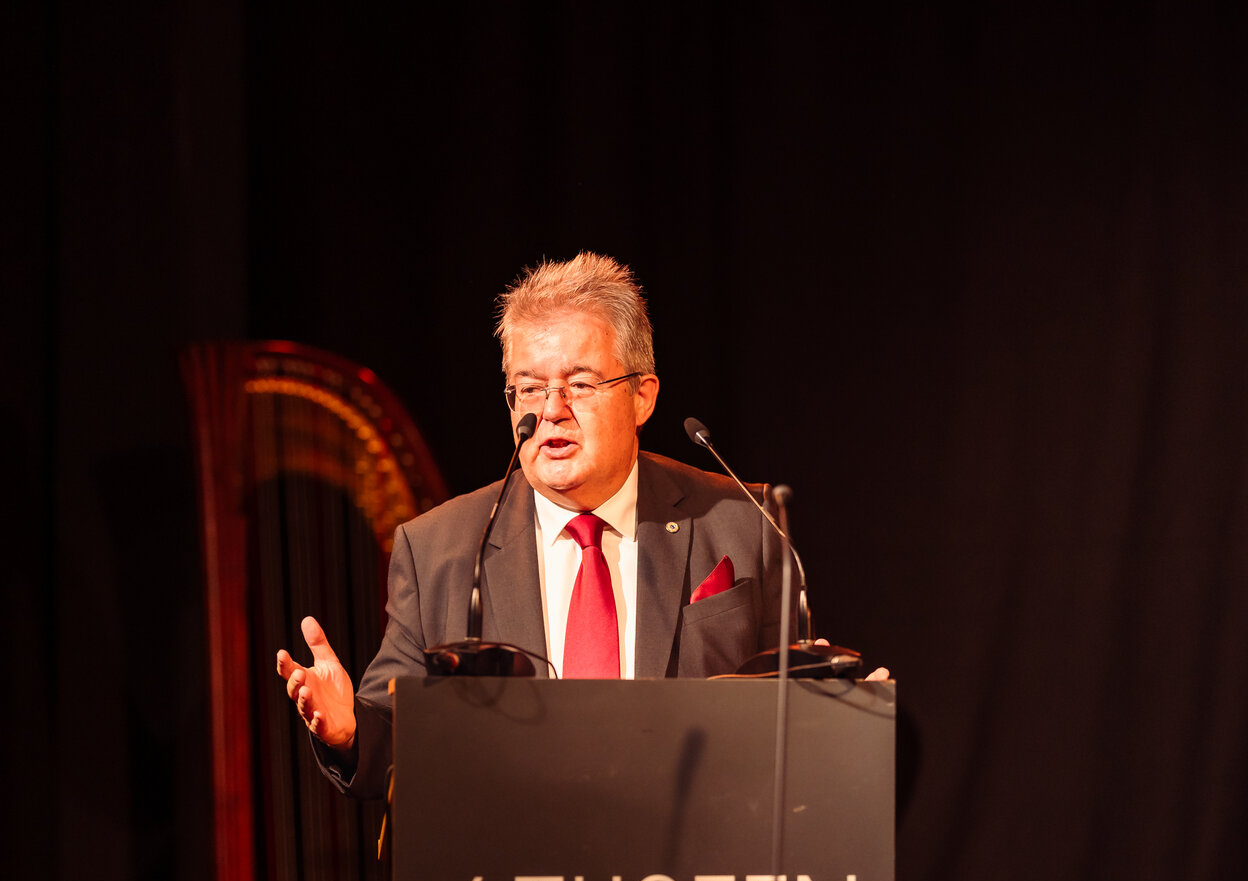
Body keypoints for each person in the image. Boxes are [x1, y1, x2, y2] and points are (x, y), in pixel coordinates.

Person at [276, 252, 886, 799]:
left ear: (643, 396)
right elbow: (396, 731)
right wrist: (349, 730)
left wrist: (837, 720)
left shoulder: (740, 522)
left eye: (580, 385)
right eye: (529, 389)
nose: (551, 411)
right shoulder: (439, 548)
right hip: (516, 873)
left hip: (697, 865)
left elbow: (787, 708)